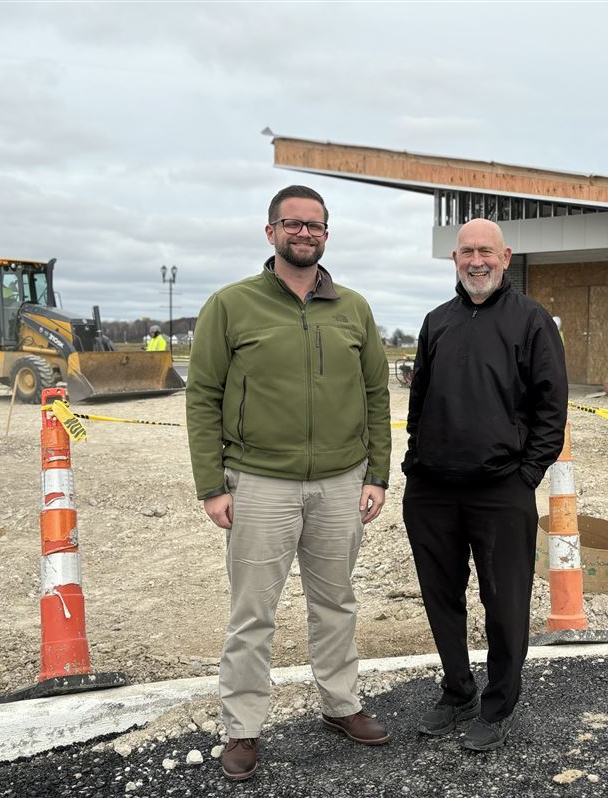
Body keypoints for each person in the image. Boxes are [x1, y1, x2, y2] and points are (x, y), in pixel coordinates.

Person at [186, 185, 392, 781]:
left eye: (315, 226)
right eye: (293, 224)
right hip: (259, 482)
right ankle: (243, 727)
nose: (305, 234)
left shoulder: (353, 308)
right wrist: (212, 485)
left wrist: (375, 472)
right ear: (270, 230)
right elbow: (203, 397)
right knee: (253, 612)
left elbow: (377, 395)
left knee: (336, 602)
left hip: (340, 482)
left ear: (327, 234)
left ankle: (341, 704)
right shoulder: (231, 305)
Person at [402, 218, 567, 752]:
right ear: (454, 259)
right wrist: (414, 460)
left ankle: (498, 706)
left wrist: (526, 475)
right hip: (432, 490)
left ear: (506, 256)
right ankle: (457, 691)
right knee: (440, 597)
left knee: (505, 602)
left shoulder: (532, 321)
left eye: (486, 252)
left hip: (501, 490)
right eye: (467, 251)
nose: (477, 261)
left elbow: (551, 409)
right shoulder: (437, 322)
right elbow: (419, 401)